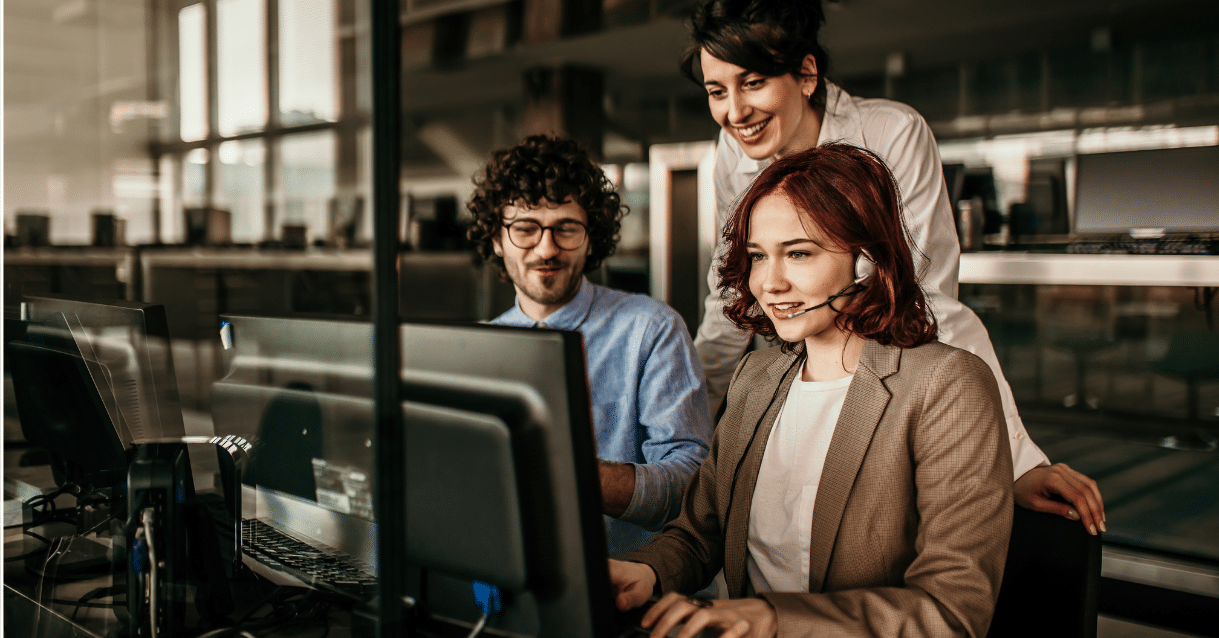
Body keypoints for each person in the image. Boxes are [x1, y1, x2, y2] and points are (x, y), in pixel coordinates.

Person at [683, 0, 1105, 534]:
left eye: (754, 83)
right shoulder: (732, 153)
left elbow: (929, 300)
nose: (735, 112)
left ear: (807, 74)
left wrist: (1019, 461)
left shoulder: (891, 133)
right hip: (801, 375)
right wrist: (688, 435)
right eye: (717, 91)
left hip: (891, 381)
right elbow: (727, 303)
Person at [610, 143, 1014, 638]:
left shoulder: (946, 385)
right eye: (758, 257)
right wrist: (645, 571)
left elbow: (952, 610)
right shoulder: (756, 378)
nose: (769, 283)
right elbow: (700, 534)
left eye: (798, 253)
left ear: (866, 262)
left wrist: (775, 618)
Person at [467, 134, 713, 557]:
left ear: (591, 237)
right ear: (496, 238)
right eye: (525, 228)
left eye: (566, 228)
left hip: (631, 593)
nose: (546, 248)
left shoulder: (651, 329)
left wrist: (574, 473)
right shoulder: (478, 348)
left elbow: (691, 488)